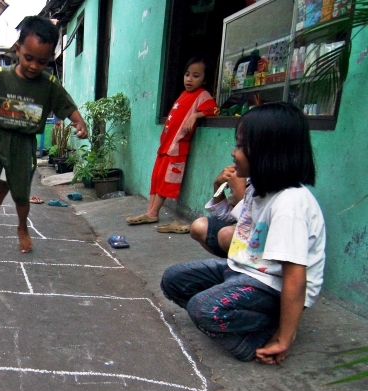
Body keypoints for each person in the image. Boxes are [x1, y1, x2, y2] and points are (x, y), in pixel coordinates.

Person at [161, 102, 325, 365]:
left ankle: (257, 340)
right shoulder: (257, 188)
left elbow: (295, 276)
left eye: (239, 146)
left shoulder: (290, 203)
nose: (233, 153)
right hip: (244, 270)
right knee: (173, 280)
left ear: (265, 153)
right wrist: (220, 189)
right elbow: (230, 219)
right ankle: (240, 314)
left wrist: (285, 337)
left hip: (272, 286)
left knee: (202, 308)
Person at [0, 15, 88, 253]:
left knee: (22, 194)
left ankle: (22, 226)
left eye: (42, 62)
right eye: (29, 58)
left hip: (23, 143)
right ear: (17, 50)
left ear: (50, 59)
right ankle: (3, 188)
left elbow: (67, 106)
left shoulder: (49, 84)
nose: (34, 66)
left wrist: (79, 122)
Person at [127, 55, 219, 228]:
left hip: (177, 147)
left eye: (196, 75)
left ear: (205, 79)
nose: (189, 79)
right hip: (166, 146)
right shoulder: (184, 94)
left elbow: (214, 109)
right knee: (157, 179)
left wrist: (196, 115)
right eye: (187, 74)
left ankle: (154, 213)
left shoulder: (202, 95)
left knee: (165, 182)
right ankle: (150, 212)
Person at [188, 165, 249, 257]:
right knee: (200, 226)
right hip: (246, 235)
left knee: (226, 235)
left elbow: (257, 224)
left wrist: (239, 192)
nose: (233, 152)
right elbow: (226, 218)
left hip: (263, 242)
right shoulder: (247, 174)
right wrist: (218, 186)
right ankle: (231, 264)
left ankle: (246, 269)